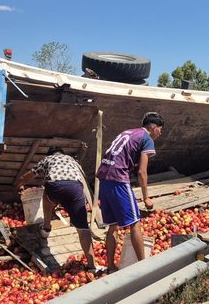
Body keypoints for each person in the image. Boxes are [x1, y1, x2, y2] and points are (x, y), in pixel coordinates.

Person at [96, 112, 165, 271]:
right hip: (119, 179)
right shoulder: (146, 138)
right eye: (160, 130)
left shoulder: (128, 132)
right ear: (153, 128)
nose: (160, 134)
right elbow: (142, 172)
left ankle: (111, 266)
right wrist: (146, 197)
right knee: (135, 223)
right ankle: (144, 266)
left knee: (112, 226)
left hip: (104, 180)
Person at [17, 146, 99, 271]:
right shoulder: (72, 160)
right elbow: (82, 178)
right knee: (83, 229)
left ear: (50, 154)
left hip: (55, 187)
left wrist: (19, 183)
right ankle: (92, 266)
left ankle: (46, 227)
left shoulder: (48, 159)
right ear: (62, 153)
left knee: (46, 196)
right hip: (75, 189)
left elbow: (31, 174)